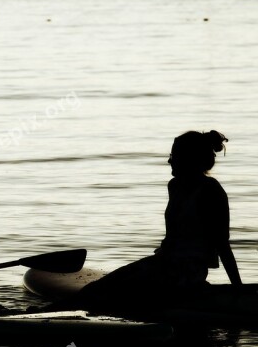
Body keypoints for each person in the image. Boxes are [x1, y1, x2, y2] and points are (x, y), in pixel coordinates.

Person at [48, 130, 242, 312]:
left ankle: (56, 313)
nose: (168, 161)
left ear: (189, 159)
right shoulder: (175, 186)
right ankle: (52, 312)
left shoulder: (211, 191)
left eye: (174, 156)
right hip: (163, 263)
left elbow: (222, 244)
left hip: (188, 274)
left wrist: (238, 289)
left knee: (109, 293)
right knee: (101, 287)